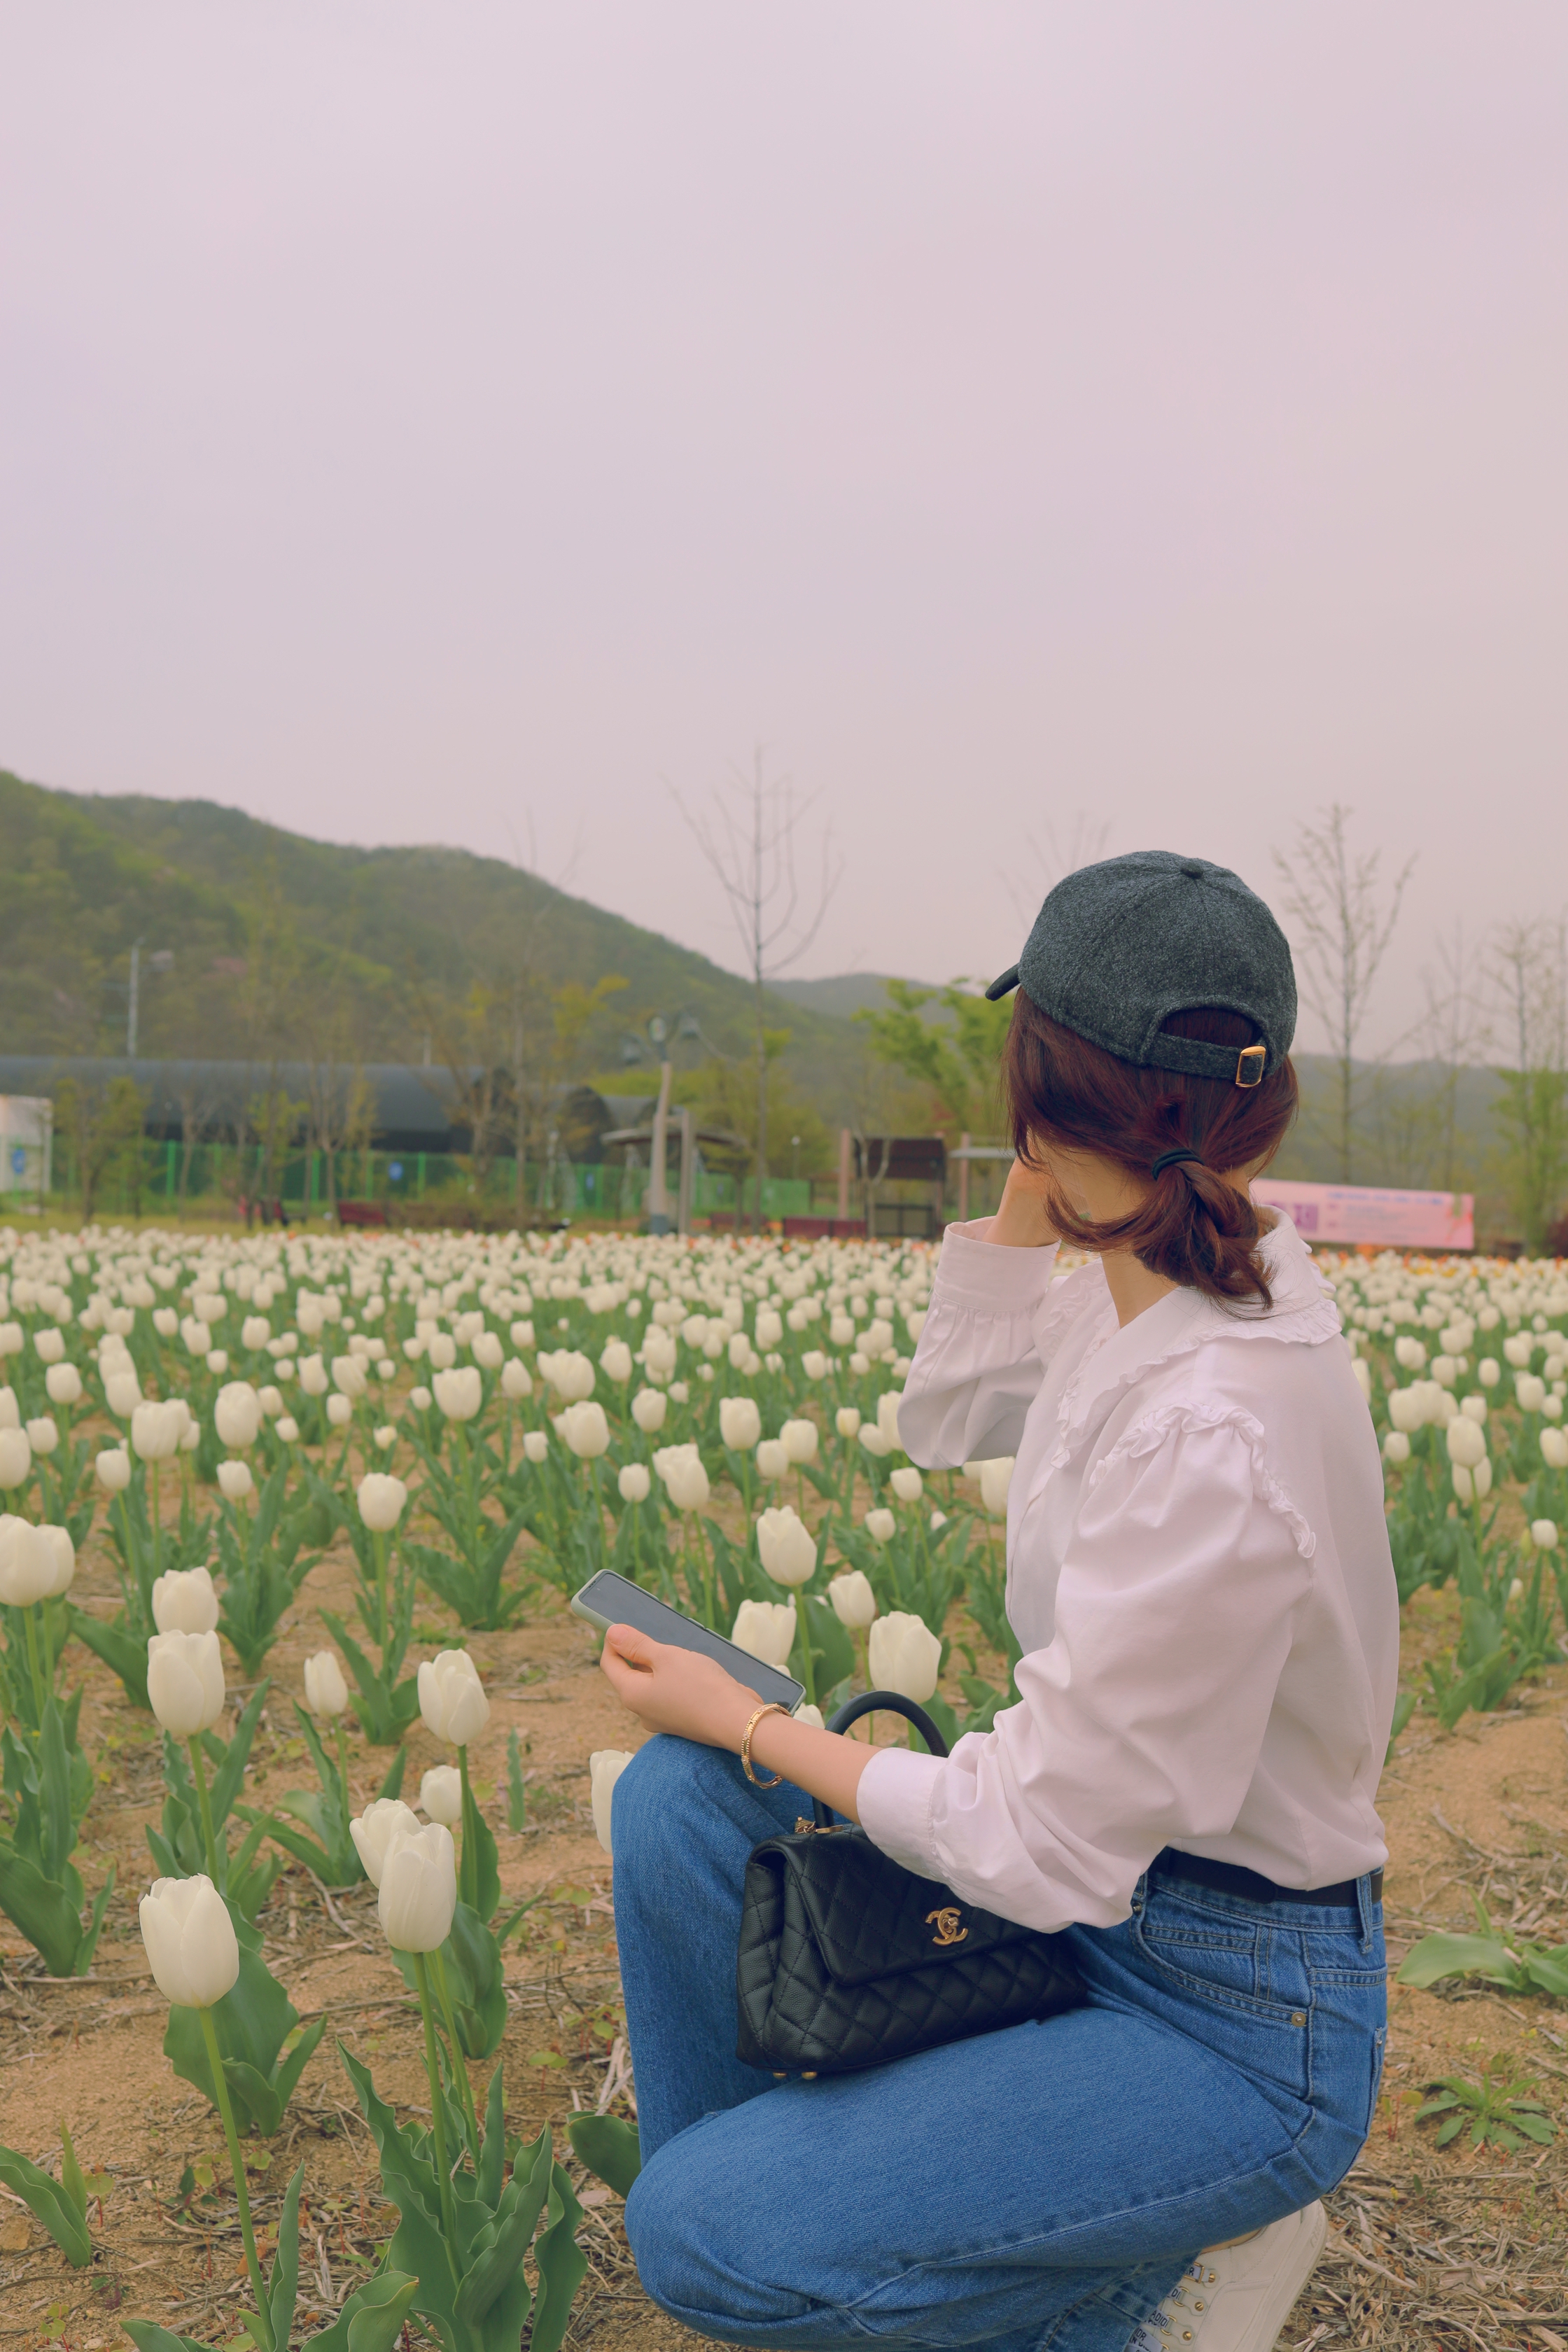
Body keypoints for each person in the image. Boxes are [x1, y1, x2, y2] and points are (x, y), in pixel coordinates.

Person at [598, 850, 1395, 2352]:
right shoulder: (1162, 1278)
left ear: (1037, 1087)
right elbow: (948, 1416)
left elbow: (1039, 1840)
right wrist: (1045, 1185)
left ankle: (1153, 2283)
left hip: (1230, 2014)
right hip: (1106, 1909)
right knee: (678, 1804)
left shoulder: (1213, 1422)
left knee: (698, 2230)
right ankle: (831, 2259)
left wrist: (757, 1721)